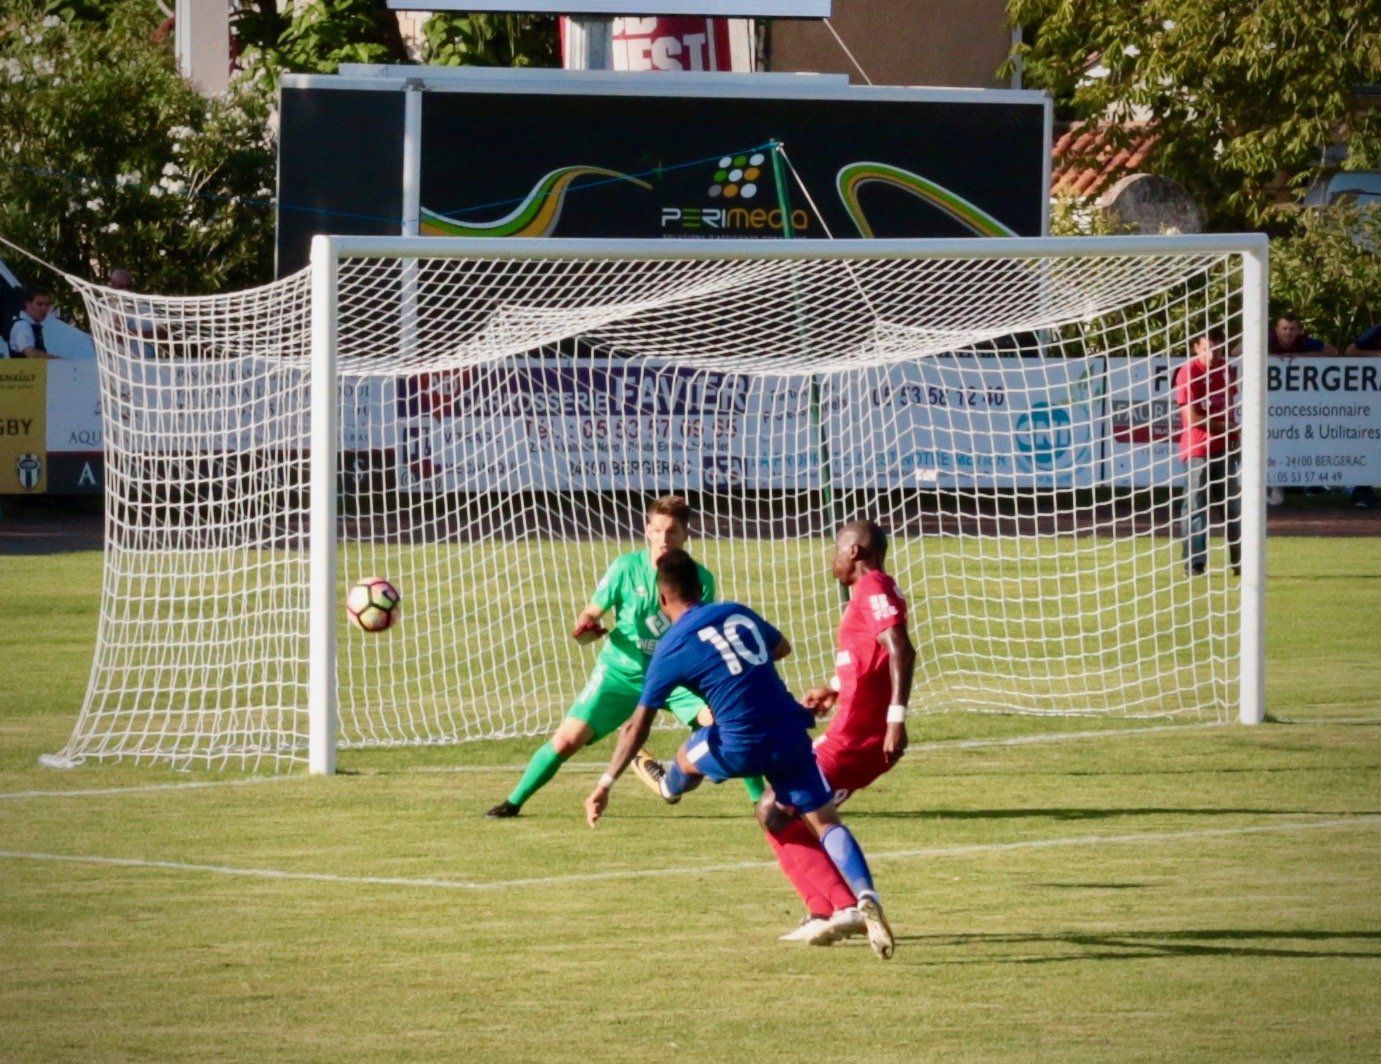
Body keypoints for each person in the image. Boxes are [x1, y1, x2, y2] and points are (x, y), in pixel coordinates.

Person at [583, 548, 896, 960]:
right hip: (789, 729)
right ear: (700, 588)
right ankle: (862, 896)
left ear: (662, 599)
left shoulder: (671, 646)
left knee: (688, 754)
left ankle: (669, 786)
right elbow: (781, 646)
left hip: (742, 741)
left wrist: (605, 783)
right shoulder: (735, 611)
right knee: (822, 821)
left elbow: (636, 724)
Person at [485, 495, 717, 818]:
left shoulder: (701, 579)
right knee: (567, 741)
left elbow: (698, 632)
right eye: (658, 530)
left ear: (686, 535)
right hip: (620, 673)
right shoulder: (625, 568)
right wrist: (586, 626)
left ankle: (746, 799)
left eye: (673, 531)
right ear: (647, 530)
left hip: (673, 676)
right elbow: (591, 613)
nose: (664, 539)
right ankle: (512, 803)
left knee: (724, 724)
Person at [1174, 327, 1240, 576]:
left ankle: (1241, 563)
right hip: (1198, 448)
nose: (1212, 353)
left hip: (1224, 448)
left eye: (1217, 347)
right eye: (1207, 347)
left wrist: (1235, 436)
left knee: (1233, 507)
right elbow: (1192, 417)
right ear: (1196, 348)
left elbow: (1230, 407)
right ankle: (1195, 564)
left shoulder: (1227, 370)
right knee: (1195, 506)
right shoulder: (1187, 372)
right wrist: (1227, 428)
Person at [6, 289, 60, 359]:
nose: (44, 308)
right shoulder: (22, 325)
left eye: (47, 305)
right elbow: (31, 354)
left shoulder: (31, 325)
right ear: (27, 304)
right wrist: (58, 360)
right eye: (39, 304)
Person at [1268, 313, 1337, 356]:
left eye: (1292, 329)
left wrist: (1299, 356)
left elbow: (1333, 351)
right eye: (1284, 329)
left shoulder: (1302, 341)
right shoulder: (1267, 340)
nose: (1288, 333)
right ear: (1277, 330)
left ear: (1299, 331)